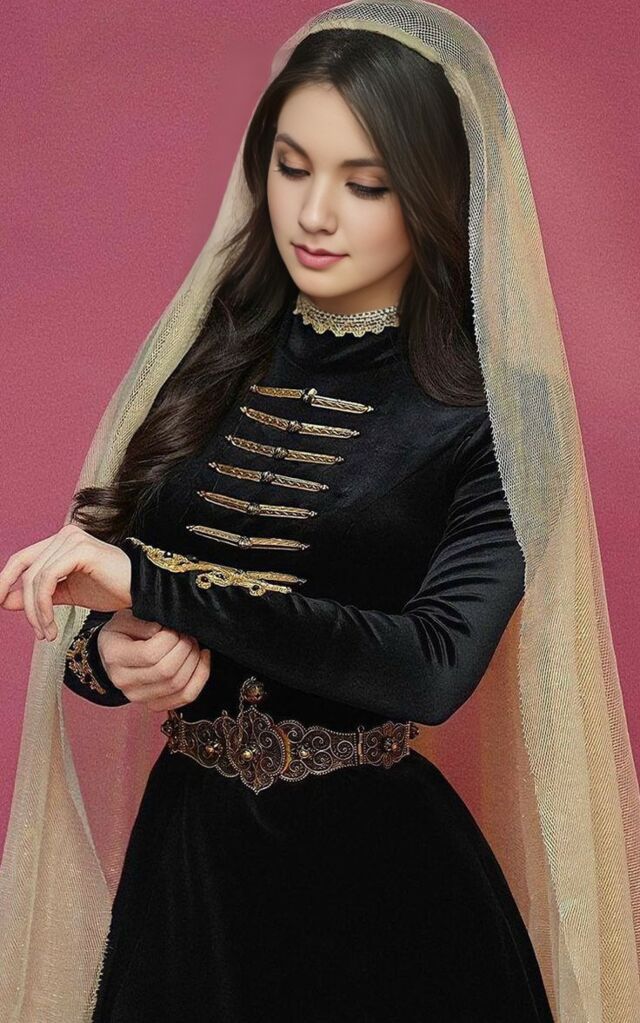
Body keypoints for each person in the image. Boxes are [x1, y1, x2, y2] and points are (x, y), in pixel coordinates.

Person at [1, 4, 639, 1022]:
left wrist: (158, 587)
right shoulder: (206, 362)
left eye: (365, 183)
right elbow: (120, 594)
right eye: (292, 167)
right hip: (189, 879)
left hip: (380, 898)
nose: (314, 213)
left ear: (435, 190)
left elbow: (431, 665)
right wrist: (108, 657)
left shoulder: (497, 416)